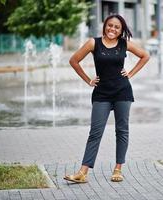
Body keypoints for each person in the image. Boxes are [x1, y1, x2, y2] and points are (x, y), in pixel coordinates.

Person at [64, 14, 149, 183]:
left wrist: (130, 73)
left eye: (117, 27)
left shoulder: (124, 44)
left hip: (122, 92)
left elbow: (145, 56)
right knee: (95, 133)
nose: (112, 29)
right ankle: (82, 173)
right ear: (105, 26)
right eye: (110, 25)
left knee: (122, 131)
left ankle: (118, 169)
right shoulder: (93, 43)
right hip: (101, 93)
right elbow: (74, 60)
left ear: (121, 30)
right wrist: (88, 79)